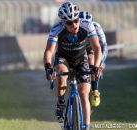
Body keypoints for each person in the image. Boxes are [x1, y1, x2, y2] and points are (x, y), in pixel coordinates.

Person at [43, 2, 102, 130]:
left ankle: (86, 126)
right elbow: (49, 51)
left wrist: (96, 67)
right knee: (61, 72)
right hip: (64, 58)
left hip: (81, 59)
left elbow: (97, 48)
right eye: (69, 23)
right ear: (63, 23)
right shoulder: (56, 29)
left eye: (76, 20)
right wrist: (48, 67)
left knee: (84, 93)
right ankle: (61, 102)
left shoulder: (87, 25)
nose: (74, 25)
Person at [79, 11, 108, 107]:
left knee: (93, 60)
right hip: (80, 47)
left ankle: (95, 89)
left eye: (87, 24)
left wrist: (100, 63)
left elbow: (104, 46)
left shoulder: (96, 27)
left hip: (93, 47)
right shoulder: (74, 27)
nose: (85, 28)